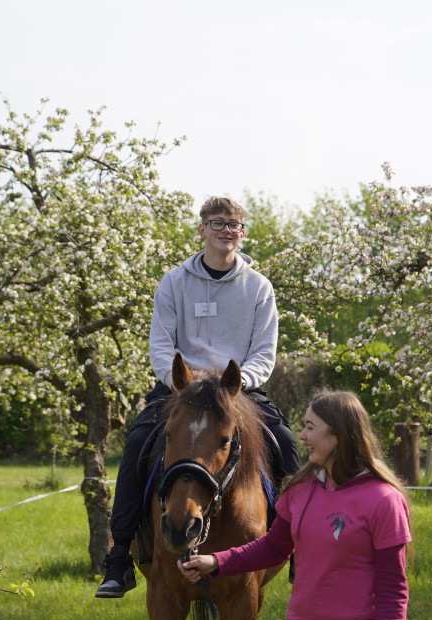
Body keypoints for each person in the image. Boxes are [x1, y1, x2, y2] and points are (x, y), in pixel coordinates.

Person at [95, 196, 301, 598]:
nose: (227, 230)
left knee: (287, 444)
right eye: (217, 222)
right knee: (137, 443)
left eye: (234, 225)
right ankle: (119, 556)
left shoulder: (259, 288)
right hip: (181, 390)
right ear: (202, 230)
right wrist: (182, 384)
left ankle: (297, 550)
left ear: (242, 234)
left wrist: (235, 386)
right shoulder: (173, 282)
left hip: (235, 392)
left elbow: (264, 352)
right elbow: (160, 345)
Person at [178, 391, 411, 620]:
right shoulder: (299, 490)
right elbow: (274, 548)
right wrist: (216, 560)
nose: (301, 436)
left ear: (338, 435)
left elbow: (393, 586)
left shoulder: (384, 499)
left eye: (310, 427)